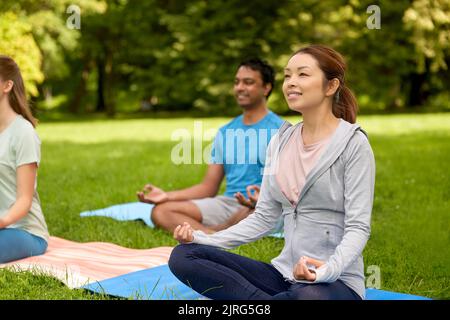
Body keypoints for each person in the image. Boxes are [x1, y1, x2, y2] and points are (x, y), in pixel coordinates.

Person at [168, 44, 376, 300]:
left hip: (334, 282)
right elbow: (264, 217)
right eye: (288, 75)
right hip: (283, 274)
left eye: (302, 74)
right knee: (184, 255)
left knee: (310, 297)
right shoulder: (281, 140)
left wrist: (325, 272)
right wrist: (203, 239)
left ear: (330, 86)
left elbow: (358, 228)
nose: (291, 82)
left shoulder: (353, 143)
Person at [137, 58, 284, 234]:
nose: (240, 88)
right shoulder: (225, 131)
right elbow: (208, 187)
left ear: (266, 88)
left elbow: (289, 189)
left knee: (253, 214)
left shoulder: (281, 130)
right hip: (229, 203)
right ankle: (215, 236)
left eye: (248, 82)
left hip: (263, 205)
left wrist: (262, 200)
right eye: (236, 82)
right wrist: (167, 196)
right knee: (162, 211)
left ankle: (213, 234)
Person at [0, 56, 49, 263]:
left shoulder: (23, 133)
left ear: (7, 85)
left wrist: (2, 221)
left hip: (24, 231)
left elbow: (24, 201)